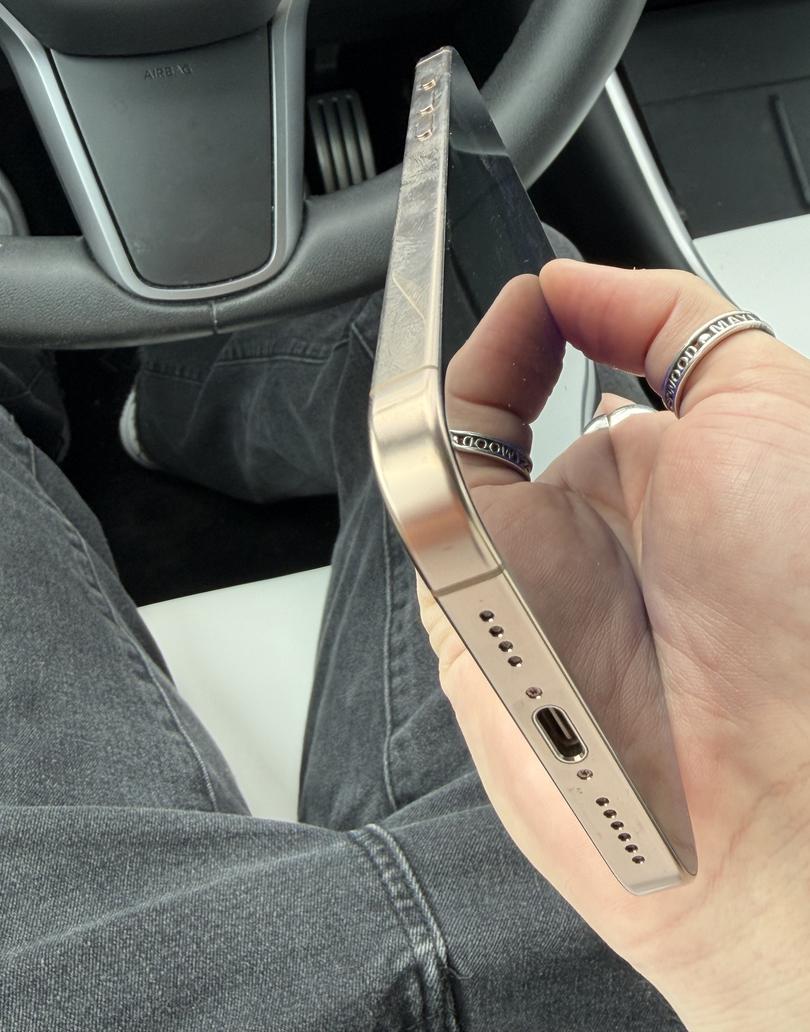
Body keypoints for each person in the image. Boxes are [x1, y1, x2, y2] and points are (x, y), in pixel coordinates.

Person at [0, 253, 806, 1031]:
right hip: (620, 946)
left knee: (458, 307)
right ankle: (171, 413)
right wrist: (769, 903)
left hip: (110, 977)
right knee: (461, 308)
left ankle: (159, 405)